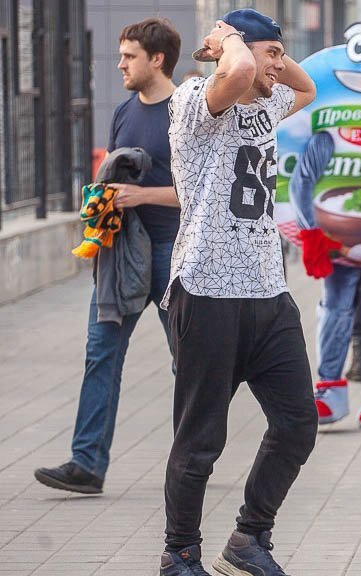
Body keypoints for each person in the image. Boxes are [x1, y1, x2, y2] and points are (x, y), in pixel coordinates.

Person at [159, 9, 317, 575]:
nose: (279, 63)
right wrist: (232, 41)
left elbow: (305, 85)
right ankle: (179, 554)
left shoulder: (264, 104)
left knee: (299, 423)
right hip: (206, 294)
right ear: (235, 49)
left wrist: (270, 53)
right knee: (200, 440)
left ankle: (249, 537)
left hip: (268, 294)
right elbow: (244, 64)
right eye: (272, 52)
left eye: (280, 51)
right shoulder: (195, 103)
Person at [33, 19, 182, 495]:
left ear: (156, 59)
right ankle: (87, 463)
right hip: (122, 257)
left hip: (176, 255)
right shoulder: (123, 112)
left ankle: (195, 457)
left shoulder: (188, 112)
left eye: (129, 56)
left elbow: (203, 191)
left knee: (190, 361)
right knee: (101, 355)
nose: (119, 64)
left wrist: (140, 196)